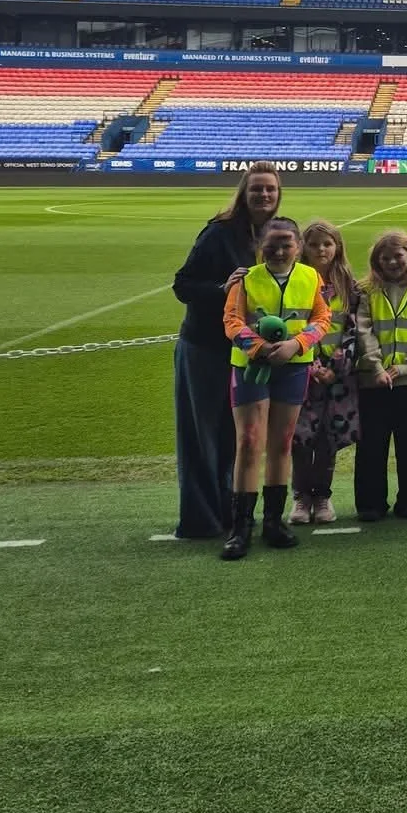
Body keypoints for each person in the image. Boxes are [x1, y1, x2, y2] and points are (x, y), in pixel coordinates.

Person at [170, 162, 282, 539]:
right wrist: (221, 289)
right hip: (206, 348)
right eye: (257, 189)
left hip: (250, 354)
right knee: (203, 435)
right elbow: (183, 284)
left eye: (270, 189)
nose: (264, 195)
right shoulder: (218, 234)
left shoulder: (277, 233)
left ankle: (234, 516)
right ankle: (202, 521)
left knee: (239, 437)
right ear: (244, 193)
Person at [219, 216, 332, 561]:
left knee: (282, 443)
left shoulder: (311, 276)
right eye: (273, 244)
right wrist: (259, 348)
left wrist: (297, 345)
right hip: (251, 367)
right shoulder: (245, 280)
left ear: (298, 247)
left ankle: (273, 521)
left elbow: (322, 318)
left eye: (287, 243)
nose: (280, 250)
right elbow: (231, 321)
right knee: (250, 442)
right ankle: (241, 527)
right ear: (260, 246)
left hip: (293, 367)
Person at [353, 230, 407, 521]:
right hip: (372, 379)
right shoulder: (365, 290)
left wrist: (405, 367)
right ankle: (370, 502)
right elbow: (363, 331)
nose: (392, 262)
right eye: (385, 257)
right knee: (372, 444)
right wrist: (376, 367)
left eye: (398, 256)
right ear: (376, 260)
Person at [289, 219, 361, 525]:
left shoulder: (349, 285)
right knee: (300, 437)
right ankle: (301, 497)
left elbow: (355, 329)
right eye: (315, 244)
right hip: (302, 372)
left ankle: (322, 495)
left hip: (338, 377)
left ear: (338, 247)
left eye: (327, 244)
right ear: (303, 248)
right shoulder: (297, 281)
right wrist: (312, 365)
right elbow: (293, 325)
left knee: (327, 439)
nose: (321, 249)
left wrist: (336, 367)